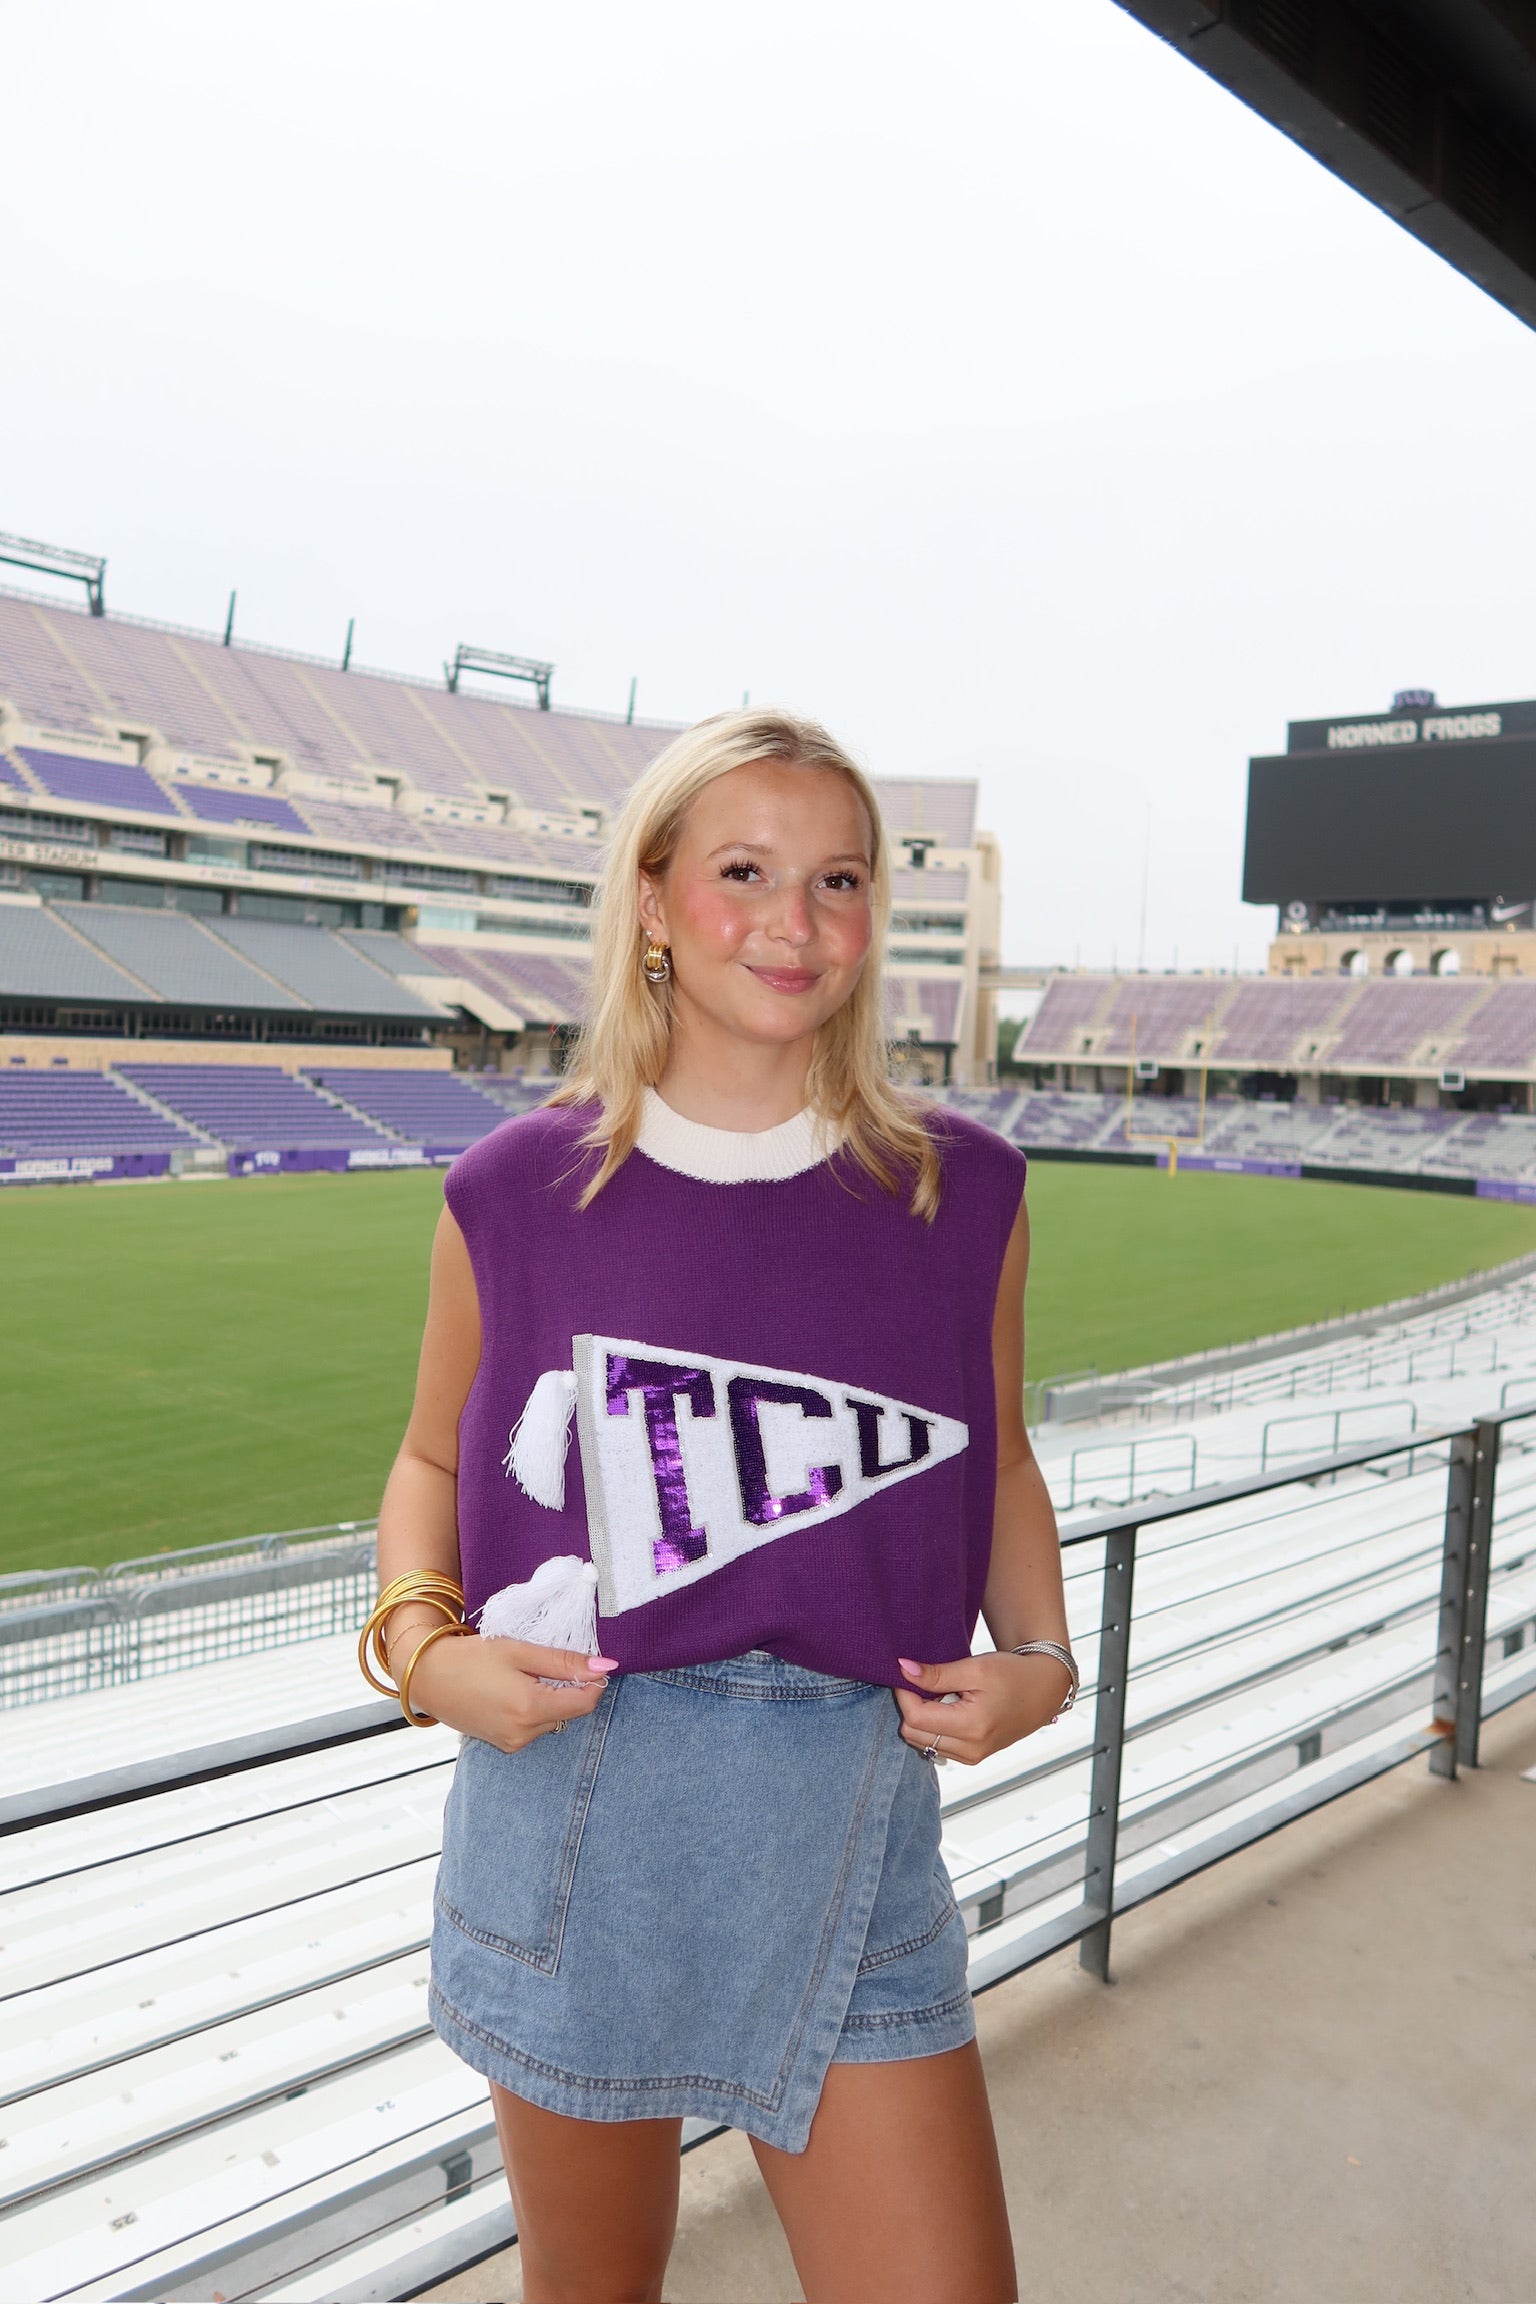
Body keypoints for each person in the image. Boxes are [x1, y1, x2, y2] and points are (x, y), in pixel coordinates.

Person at [366, 708, 1073, 2304]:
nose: (796, 922)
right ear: (655, 903)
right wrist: (421, 1651)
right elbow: (426, 1463)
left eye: (840, 880)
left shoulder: (964, 1190)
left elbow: (999, 1454)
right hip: (582, 1794)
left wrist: (1043, 1654)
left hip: (857, 1811)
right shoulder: (515, 1192)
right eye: (745, 871)